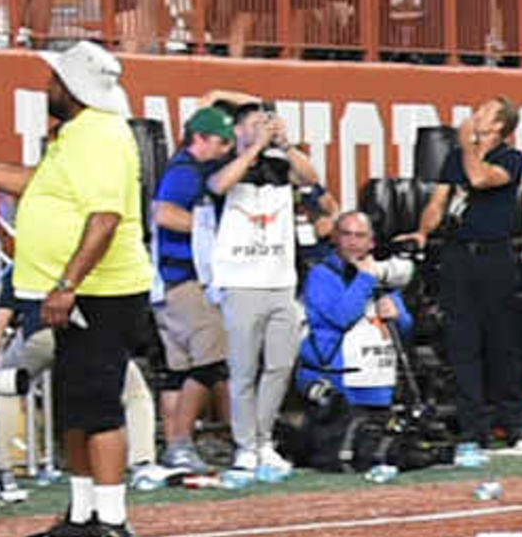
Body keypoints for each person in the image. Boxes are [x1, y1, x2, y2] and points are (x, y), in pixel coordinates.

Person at [0, 41, 154, 537]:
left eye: (55, 79)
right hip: (81, 291)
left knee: (98, 404)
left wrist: (67, 284)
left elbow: (105, 219)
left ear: (74, 87)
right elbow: (38, 184)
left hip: (102, 292)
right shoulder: (77, 134)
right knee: (76, 403)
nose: (47, 86)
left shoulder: (99, 136)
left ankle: (113, 517)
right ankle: (82, 514)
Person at [210, 102, 322, 483]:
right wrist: (254, 148)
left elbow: (312, 178)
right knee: (243, 370)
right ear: (238, 130)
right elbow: (219, 186)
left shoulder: (280, 165)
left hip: (280, 281)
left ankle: (263, 440)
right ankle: (244, 445)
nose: (264, 129)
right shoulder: (223, 162)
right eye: (255, 124)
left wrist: (286, 145)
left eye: (267, 123)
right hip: (241, 282)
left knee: (279, 366)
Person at [414, 97, 522, 443]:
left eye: (484, 111)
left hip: (494, 256)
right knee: (462, 342)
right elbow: (438, 202)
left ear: (499, 125)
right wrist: (423, 232)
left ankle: (513, 422)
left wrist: (468, 146)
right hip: (458, 256)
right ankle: (472, 427)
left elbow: (480, 179)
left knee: (502, 342)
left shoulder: (510, 158)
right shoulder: (455, 159)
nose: (474, 114)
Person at [143, 99, 240, 474]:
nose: (226, 149)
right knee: (211, 362)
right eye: (221, 141)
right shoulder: (185, 171)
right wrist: (214, 233)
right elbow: (164, 213)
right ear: (201, 138)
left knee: (178, 370)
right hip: (183, 280)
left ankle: (176, 445)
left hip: (168, 281)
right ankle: (182, 443)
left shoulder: (186, 168)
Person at [292, 210, 414, 459]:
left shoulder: (381, 276)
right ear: (335, 238)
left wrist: (398, 316)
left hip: (379, 384)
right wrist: (365, 278)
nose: (352, 241)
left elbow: (406, 329)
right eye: (346, 234)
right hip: (337, 387)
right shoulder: (321, 275)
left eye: (360, 236)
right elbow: (342, 317)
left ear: (371, 242)